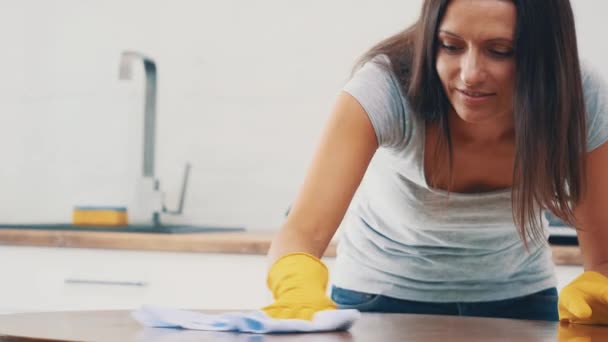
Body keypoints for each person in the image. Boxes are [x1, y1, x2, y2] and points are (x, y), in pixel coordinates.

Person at [262, 0, 608, 324]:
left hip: (522, 301)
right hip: (377, 298)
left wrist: (600, 290)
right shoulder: (385, 86)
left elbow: (603, 260)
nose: (470, 74)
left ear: (545, 54)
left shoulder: (578, 96)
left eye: (501, 51)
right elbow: (303, 231)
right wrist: (296, 287)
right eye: (450, 46)